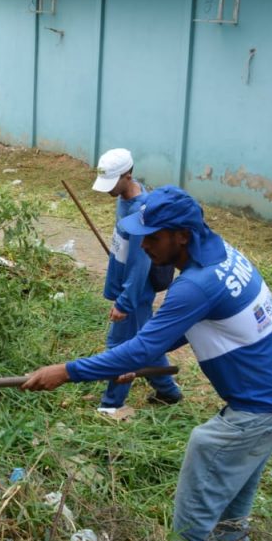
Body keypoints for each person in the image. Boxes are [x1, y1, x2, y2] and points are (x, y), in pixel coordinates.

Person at [21, 186, 272, 541]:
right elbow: (177, 333)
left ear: (182, 236)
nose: (144, 246)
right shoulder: (221, 257)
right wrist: (140, 365)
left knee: (208, 449)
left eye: (153, 237)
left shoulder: (195, 285)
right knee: (235, 480)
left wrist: (66, 371)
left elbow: (145, 344)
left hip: (263, 407)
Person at [91, 148, 181, 413]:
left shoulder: (143, 212)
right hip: (126, 285)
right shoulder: (124, 199)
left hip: (136, 292)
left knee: (119, 347)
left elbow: (140, 265)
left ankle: (111, 405)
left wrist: (124, 302)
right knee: (146, 343)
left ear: (128, 175)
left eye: (112, 183)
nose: (108, 190)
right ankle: (169, 391)